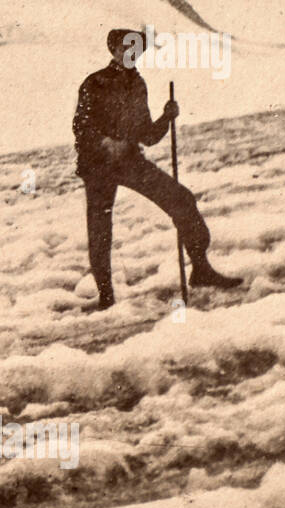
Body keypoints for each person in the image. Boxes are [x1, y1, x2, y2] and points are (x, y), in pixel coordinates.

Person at [73, 29, 243, 310]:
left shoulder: (137, 84)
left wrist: (166, 117)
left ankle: (201, 270)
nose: (133, 52)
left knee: (182, 200)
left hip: (129, 161)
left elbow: (148, 136)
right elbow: (81, 126)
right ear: (114, 49)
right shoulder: (95, 82)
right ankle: (106, 297)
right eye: (127, 47)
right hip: (98, 167)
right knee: (101, 230)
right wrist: (105, 143)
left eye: (137, 47)